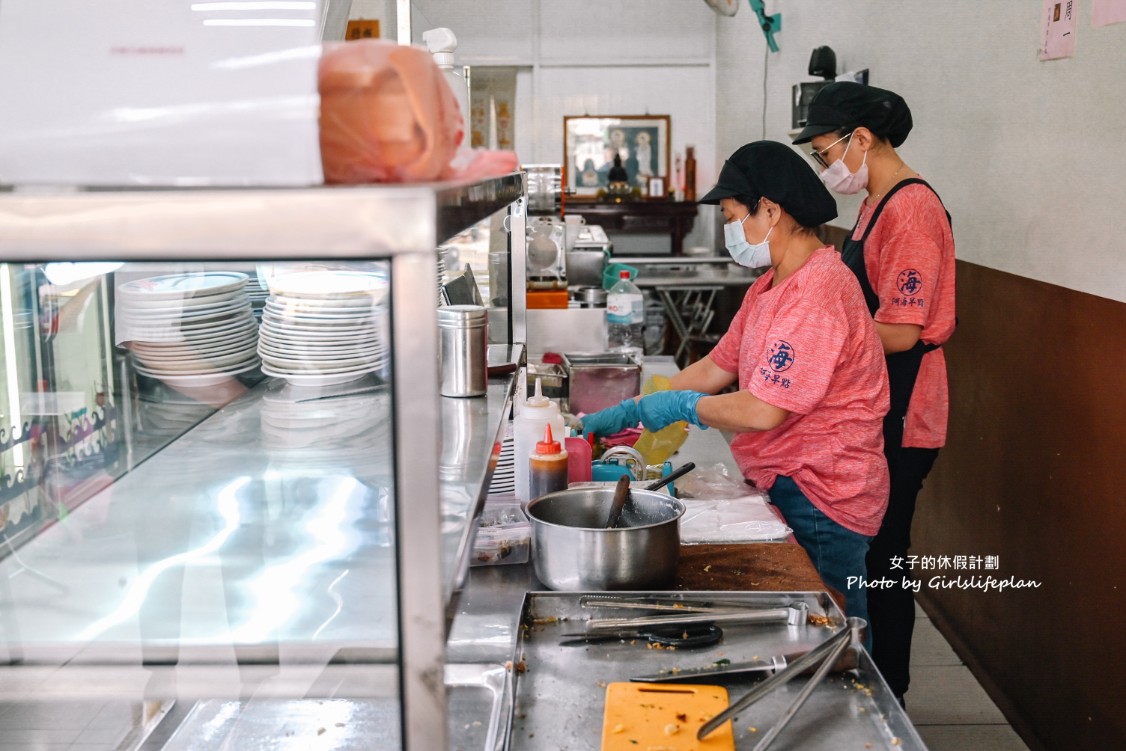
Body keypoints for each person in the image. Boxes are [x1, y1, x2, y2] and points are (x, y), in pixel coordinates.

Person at [582, 141, 890, 640]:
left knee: (831, 627)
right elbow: (716, 365)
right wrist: (634, 406)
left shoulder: (819, 291)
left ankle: (858, 708)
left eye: (732, 215)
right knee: (808, 621)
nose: (731, 231)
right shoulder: (771, 285)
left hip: (824, 487)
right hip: (789, 474)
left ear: (770, 208)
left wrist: (681, 406)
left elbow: (765, 410)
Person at [793, 81, 957, 705]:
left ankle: (891, 697)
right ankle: (873, 680)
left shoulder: (912, 208)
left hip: (908, 403)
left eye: (824, 152)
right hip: (877, 397)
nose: (825, 166)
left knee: (886, 553)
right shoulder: (874, 201)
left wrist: (823, 342)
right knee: (871, 543)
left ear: (861, 139)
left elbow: (902, 328)